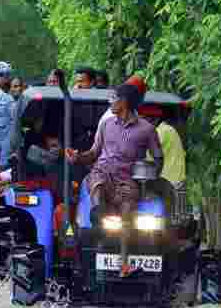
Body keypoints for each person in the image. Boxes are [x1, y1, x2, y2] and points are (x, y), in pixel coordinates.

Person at [66, 84, 163, 216]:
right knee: (97, 184)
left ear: (123, 101)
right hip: (102, 174)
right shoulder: (106, 124)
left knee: (128, 208)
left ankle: (124, 227)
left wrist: (151, 182)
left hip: (128, 181)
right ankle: (97, 216)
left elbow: (158, 159)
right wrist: (78, 157)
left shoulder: (147, 129)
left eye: (113, 98)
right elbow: (93, 153)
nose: (110, 102)